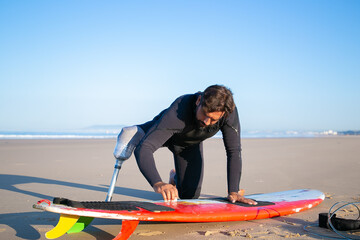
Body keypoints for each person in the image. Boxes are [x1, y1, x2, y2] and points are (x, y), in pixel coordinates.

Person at [113, 85, 257, 205]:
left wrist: (233, 191)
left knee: (189, 196)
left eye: (213, 120)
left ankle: (174, 179)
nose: (207, 122)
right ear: (199, 100)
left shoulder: (228, 113)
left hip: (188, 144)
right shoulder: (179, 109)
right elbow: (145, 148)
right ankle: (135, 131)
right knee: (137, 138)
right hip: (162, 133)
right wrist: (158, 183)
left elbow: (234, 151)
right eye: (205, 114)